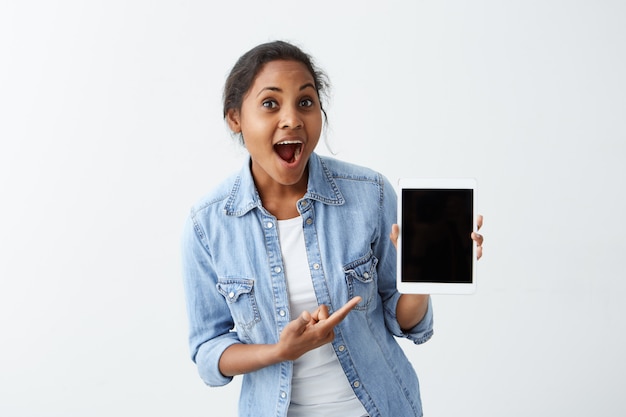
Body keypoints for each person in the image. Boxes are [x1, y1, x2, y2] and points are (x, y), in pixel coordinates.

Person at [181, 40, 484, 417]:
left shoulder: (370, 194)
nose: (292, 118)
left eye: (305, 102)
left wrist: (421, 277)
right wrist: (281, 351)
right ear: (235, 119)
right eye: (270, 104)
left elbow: (404, 321)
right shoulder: (208, 224)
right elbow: (209, 352)